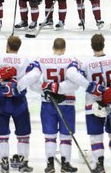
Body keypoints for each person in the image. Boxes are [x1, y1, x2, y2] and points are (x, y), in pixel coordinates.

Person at [0, 35, 41, 172]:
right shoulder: (25, 59)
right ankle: (23, 163)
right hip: (19, 102)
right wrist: (19, 86)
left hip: (0, 102)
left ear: (7, 46)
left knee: (1, 135)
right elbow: (36, 74)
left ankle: (4, 162)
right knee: (23, 134)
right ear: (19, 47)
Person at [71, 34, 111, 172]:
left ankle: (100, 164)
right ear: (104, 43)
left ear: (91, 46)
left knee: (96, 135)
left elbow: (77, 79)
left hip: (93, 105)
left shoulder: (86, 63)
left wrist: (90, 86)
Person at [38, 38, 83, 173]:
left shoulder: (42, 59)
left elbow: (34, 79)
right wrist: (60, 88)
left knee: (49, 136)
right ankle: (65, 164)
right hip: (67, 102)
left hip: (48, 102)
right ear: (64, 48)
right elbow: (76, 81)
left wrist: (46, 88)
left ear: (53, 47)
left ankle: (50, 164)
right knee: (65, 136)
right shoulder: (72, 60)